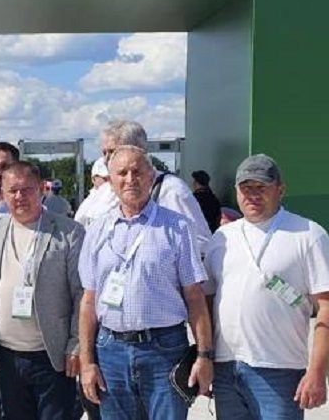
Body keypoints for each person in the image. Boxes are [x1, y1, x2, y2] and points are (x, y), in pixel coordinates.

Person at [78, 145, 213, 419]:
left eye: (137, 172)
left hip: (164, 351)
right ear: (111, 181)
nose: (130, 179)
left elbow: (195, 297)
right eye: (122, 173)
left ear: (151, 177)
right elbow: (89, 301)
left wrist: (204, 356)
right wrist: (87, 362)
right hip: (110, 351)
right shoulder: (97, 231)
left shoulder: (177, 227)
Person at [205, 154, 329, 418]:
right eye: (245, 188)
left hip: (280, 371)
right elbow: (207, 299)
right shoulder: (222, 237)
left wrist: (317, 372)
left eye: (261, 187)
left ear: (280, 189)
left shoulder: (308, 235)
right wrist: (204, 357)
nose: (252, 195)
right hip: (226, 369)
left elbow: (326, 307)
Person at [0, 162, 84, 420]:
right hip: (7, 356)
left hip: (52, 356)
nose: (20, 197)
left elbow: (81, 294)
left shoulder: (69, 232)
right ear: (3, 194)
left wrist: (76, 345)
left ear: (41, 189)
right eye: (12, 191)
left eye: (27, 190)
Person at [79, 120, 211, 253]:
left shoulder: (170, 190)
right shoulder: (104, 191)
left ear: (138, 150)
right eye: (104, 153)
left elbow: (200, 244)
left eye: (113, 151)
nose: (106, 159)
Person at [75, 158, 115, 229]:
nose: (109, 181)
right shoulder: (86, 204)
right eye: (105, 179)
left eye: (111, 178)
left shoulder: (116, 197)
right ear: (93, 179)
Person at [191, 170, 222, 234]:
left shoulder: (193, 199)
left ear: (196, 183)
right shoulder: (213, 198)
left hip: (198, 234)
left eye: (194, 181)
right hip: (212, 233)